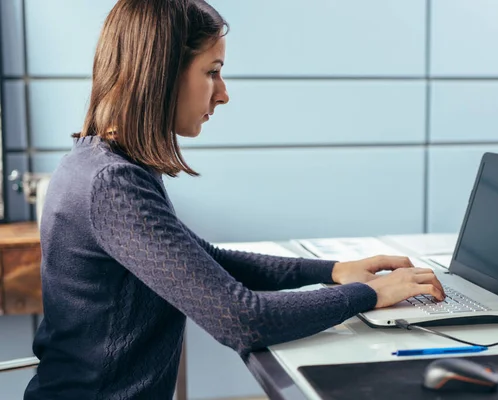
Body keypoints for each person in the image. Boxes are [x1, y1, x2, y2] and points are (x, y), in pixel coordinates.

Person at [24, 0, 445, 399]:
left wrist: (335, 271)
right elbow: (244, 320)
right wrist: (370, 295)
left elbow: (205, 260)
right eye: (212, 71)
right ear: (161, 73)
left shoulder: (101, 163)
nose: (222, 93)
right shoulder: (112, 184)